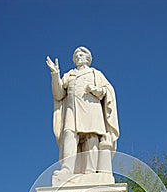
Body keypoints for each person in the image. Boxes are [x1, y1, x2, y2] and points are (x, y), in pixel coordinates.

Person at [46, 47, 119, 179]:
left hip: (91, 108)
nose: (78, 57)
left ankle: (90, 171)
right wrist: (55, 74)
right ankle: (67, 169)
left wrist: (97, 90)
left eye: (81, 55)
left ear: (88, 58)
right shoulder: (69, 75)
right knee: (69, 135)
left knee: (92, 137)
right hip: (71, 110)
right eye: (76, 56)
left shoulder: (95, 73)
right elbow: (59, 94)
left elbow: (107, 91)